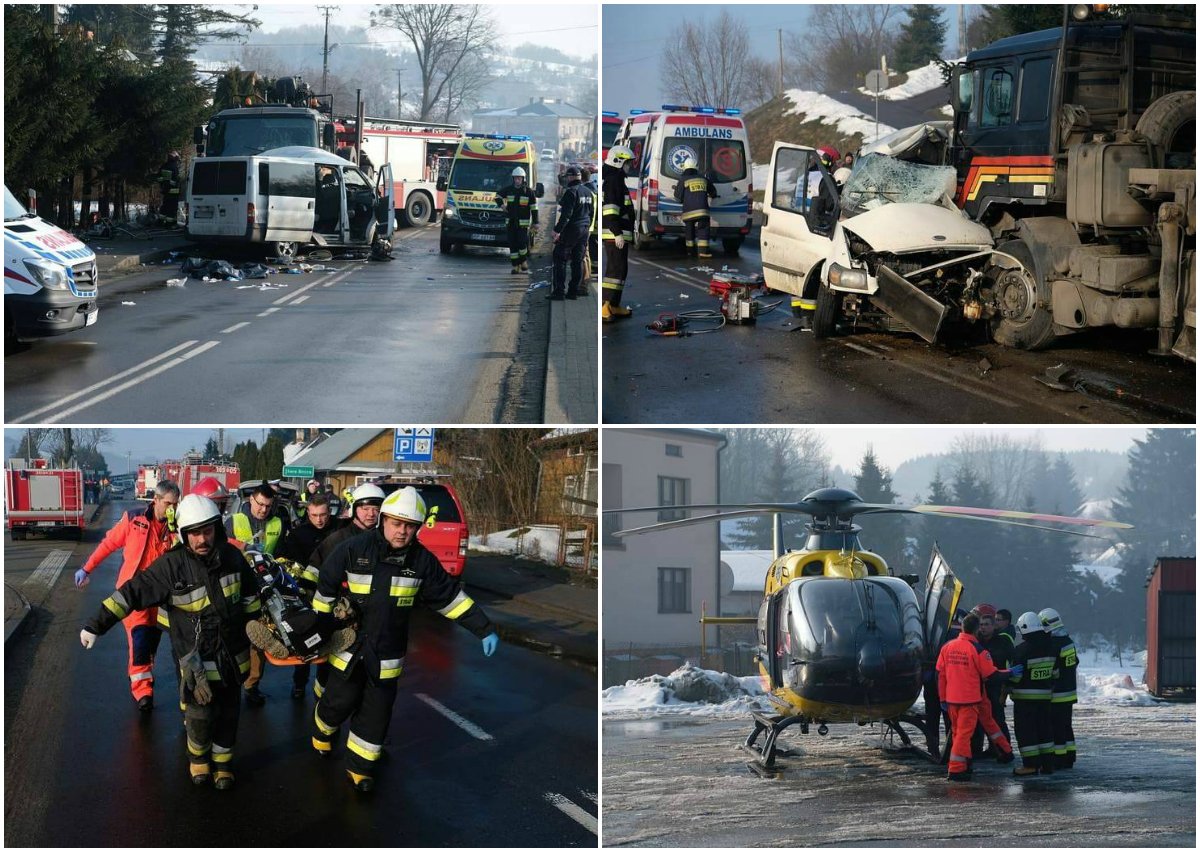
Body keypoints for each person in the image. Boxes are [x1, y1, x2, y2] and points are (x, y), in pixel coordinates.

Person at [310, 487, 499, 792]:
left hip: (387, 652)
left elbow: (448, 597)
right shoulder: (353, 549)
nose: (402, 532)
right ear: (384, 520)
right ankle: (322, 730)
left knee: (377, 713)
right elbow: (326, 589)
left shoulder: (422, 561)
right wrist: (320, 631)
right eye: (397, 523)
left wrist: (483, 627)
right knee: (338, 702)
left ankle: (360, 768)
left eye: (410, 526)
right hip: (348, 646)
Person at [80, 495, 262, 790]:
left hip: (232, 656)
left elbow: (251, 598)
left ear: (216, 527)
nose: (202, 539)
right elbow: (131, 593)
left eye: (207, 531)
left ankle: (224, 764)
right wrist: (95, 624)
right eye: (194, 533)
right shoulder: (171, 566)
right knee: (199, 715)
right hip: (196, 660)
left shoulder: (233, 558)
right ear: (183, 534)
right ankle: (199, 760)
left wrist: (258, 630)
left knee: (229, 714)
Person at [74, 481, 181, 712]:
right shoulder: (134, 519)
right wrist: (87, 568)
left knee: (152, 639)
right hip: (133, 595)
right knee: (140, 638)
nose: (172, 508)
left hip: (162, 597)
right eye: (168, 503)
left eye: (176, 503)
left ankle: (145, 673)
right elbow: (109, 543)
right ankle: (143, 691)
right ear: (156, 500)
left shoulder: (178, 528)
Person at [225, 482, 291, 706]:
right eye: (260, 504)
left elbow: (280, 555)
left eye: (268, 505)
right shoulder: (234, 521)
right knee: (232, 637)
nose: (263, 509)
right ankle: (228, 681)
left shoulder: (277, 523)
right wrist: (242, 547)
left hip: (262, 589)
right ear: (251, 500)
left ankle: (252, 685)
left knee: (259, 638)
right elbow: (220, 547)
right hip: (234, 587)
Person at [936, 612, 1015, 781]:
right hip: (972, 699)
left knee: (959, 733)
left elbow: (940, 675)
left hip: (952, 700)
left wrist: (942, 698)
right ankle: (958, 768)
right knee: (972, 731)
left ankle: (997, 753)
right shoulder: (978, 650)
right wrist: (1009, 673)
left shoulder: (947, 647)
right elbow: (991, 674)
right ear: (976, 629)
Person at [277, 492, 341, 699]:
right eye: (314, 515)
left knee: (328, 642)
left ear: (329, 513)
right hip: (305, 593)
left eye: (322, 515)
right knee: (305, 640)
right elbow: (285, 560)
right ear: (308, 513)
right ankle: (299, 685)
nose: (319, 520)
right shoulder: (298, 534)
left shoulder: (339, 530)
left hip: (333, 593)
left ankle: (322, 687)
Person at [1008, 611, 1059, 776]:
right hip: (1045, 698)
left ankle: (1030, 765)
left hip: (1024, 699)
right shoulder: (1052, 647)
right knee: (1045, 730)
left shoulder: (1021, 650)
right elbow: (1056, 673)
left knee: (1026, 732)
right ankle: (1047, 765)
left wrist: (1006, 683)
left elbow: (1016, 677)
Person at [970, 604, 1014, 757]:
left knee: (997, 718)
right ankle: (981, 749)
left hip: (997, 685)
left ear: (994, 626)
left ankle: (1003, 748)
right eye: (981, 625)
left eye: (987, 625)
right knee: (978, 720)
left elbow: (1010, 661)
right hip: (979, 686)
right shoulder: (976, 642)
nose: (983, 628)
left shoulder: (1003, 641)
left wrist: (1008, 685)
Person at [1040, 607, 1078, 769]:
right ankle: (1070, 756)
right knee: (1066, 725)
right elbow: (1074, 662)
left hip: (1056, 693)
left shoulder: (1053, 644)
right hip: (1069, 691)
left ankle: (1060, 758)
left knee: (1056, 727)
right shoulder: (1068, 641)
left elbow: (1052, 668)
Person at [601, 144, 636, 322]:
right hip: (613, 233)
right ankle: (605, 306)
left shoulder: (617, 179)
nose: (629, 166)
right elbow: (609, 210)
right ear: (618, 161)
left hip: (619, 232)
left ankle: (614, 305)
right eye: (628, 163)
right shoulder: (613, 181)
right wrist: (617, 233)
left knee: (621, 269)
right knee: (614, 270)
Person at [550, 165, 593, 301]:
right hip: (584, 229)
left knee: (559, 258)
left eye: (568, 177)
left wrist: (556, 230)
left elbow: (566, 215)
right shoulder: (587, 192)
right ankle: (573, 292)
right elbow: (590, 213)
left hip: (572, 230)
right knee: (577, 261)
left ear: (571, 177)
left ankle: (559, 292)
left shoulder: (570, 192)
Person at [493, 166, 539, 274]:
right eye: (515, 178)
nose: (517, 180)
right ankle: (515, 266)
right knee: (512, 245)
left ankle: (523, 261)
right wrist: (502, 206)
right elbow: (497, 196)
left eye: (519, 178)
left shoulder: (529, 192)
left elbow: (534, 208)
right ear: (513, 179)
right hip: (510, 223)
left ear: (523, 179)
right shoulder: (509, 190)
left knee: (522, 243)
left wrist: (536, 222)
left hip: (522, 225)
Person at [673, 155, 717, 259]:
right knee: (703, 230)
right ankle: (703, 252)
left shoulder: (683, 180)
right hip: (703, 211)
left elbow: (677, 198)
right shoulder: (703, 179)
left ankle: (690, 251)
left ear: (685, 167)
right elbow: (713, 192)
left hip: (689, 212)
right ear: (696, 167)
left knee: (689, 231)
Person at [158, 151, 182, 224]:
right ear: (175, 159)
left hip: (165, 191)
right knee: (172, 208)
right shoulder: (174, 167)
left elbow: (159, 178)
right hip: (173, 191)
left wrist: (163, 184)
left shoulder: (164, 166)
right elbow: (176, 180)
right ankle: (170, 223)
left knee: (165, 206)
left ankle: (161, 221)